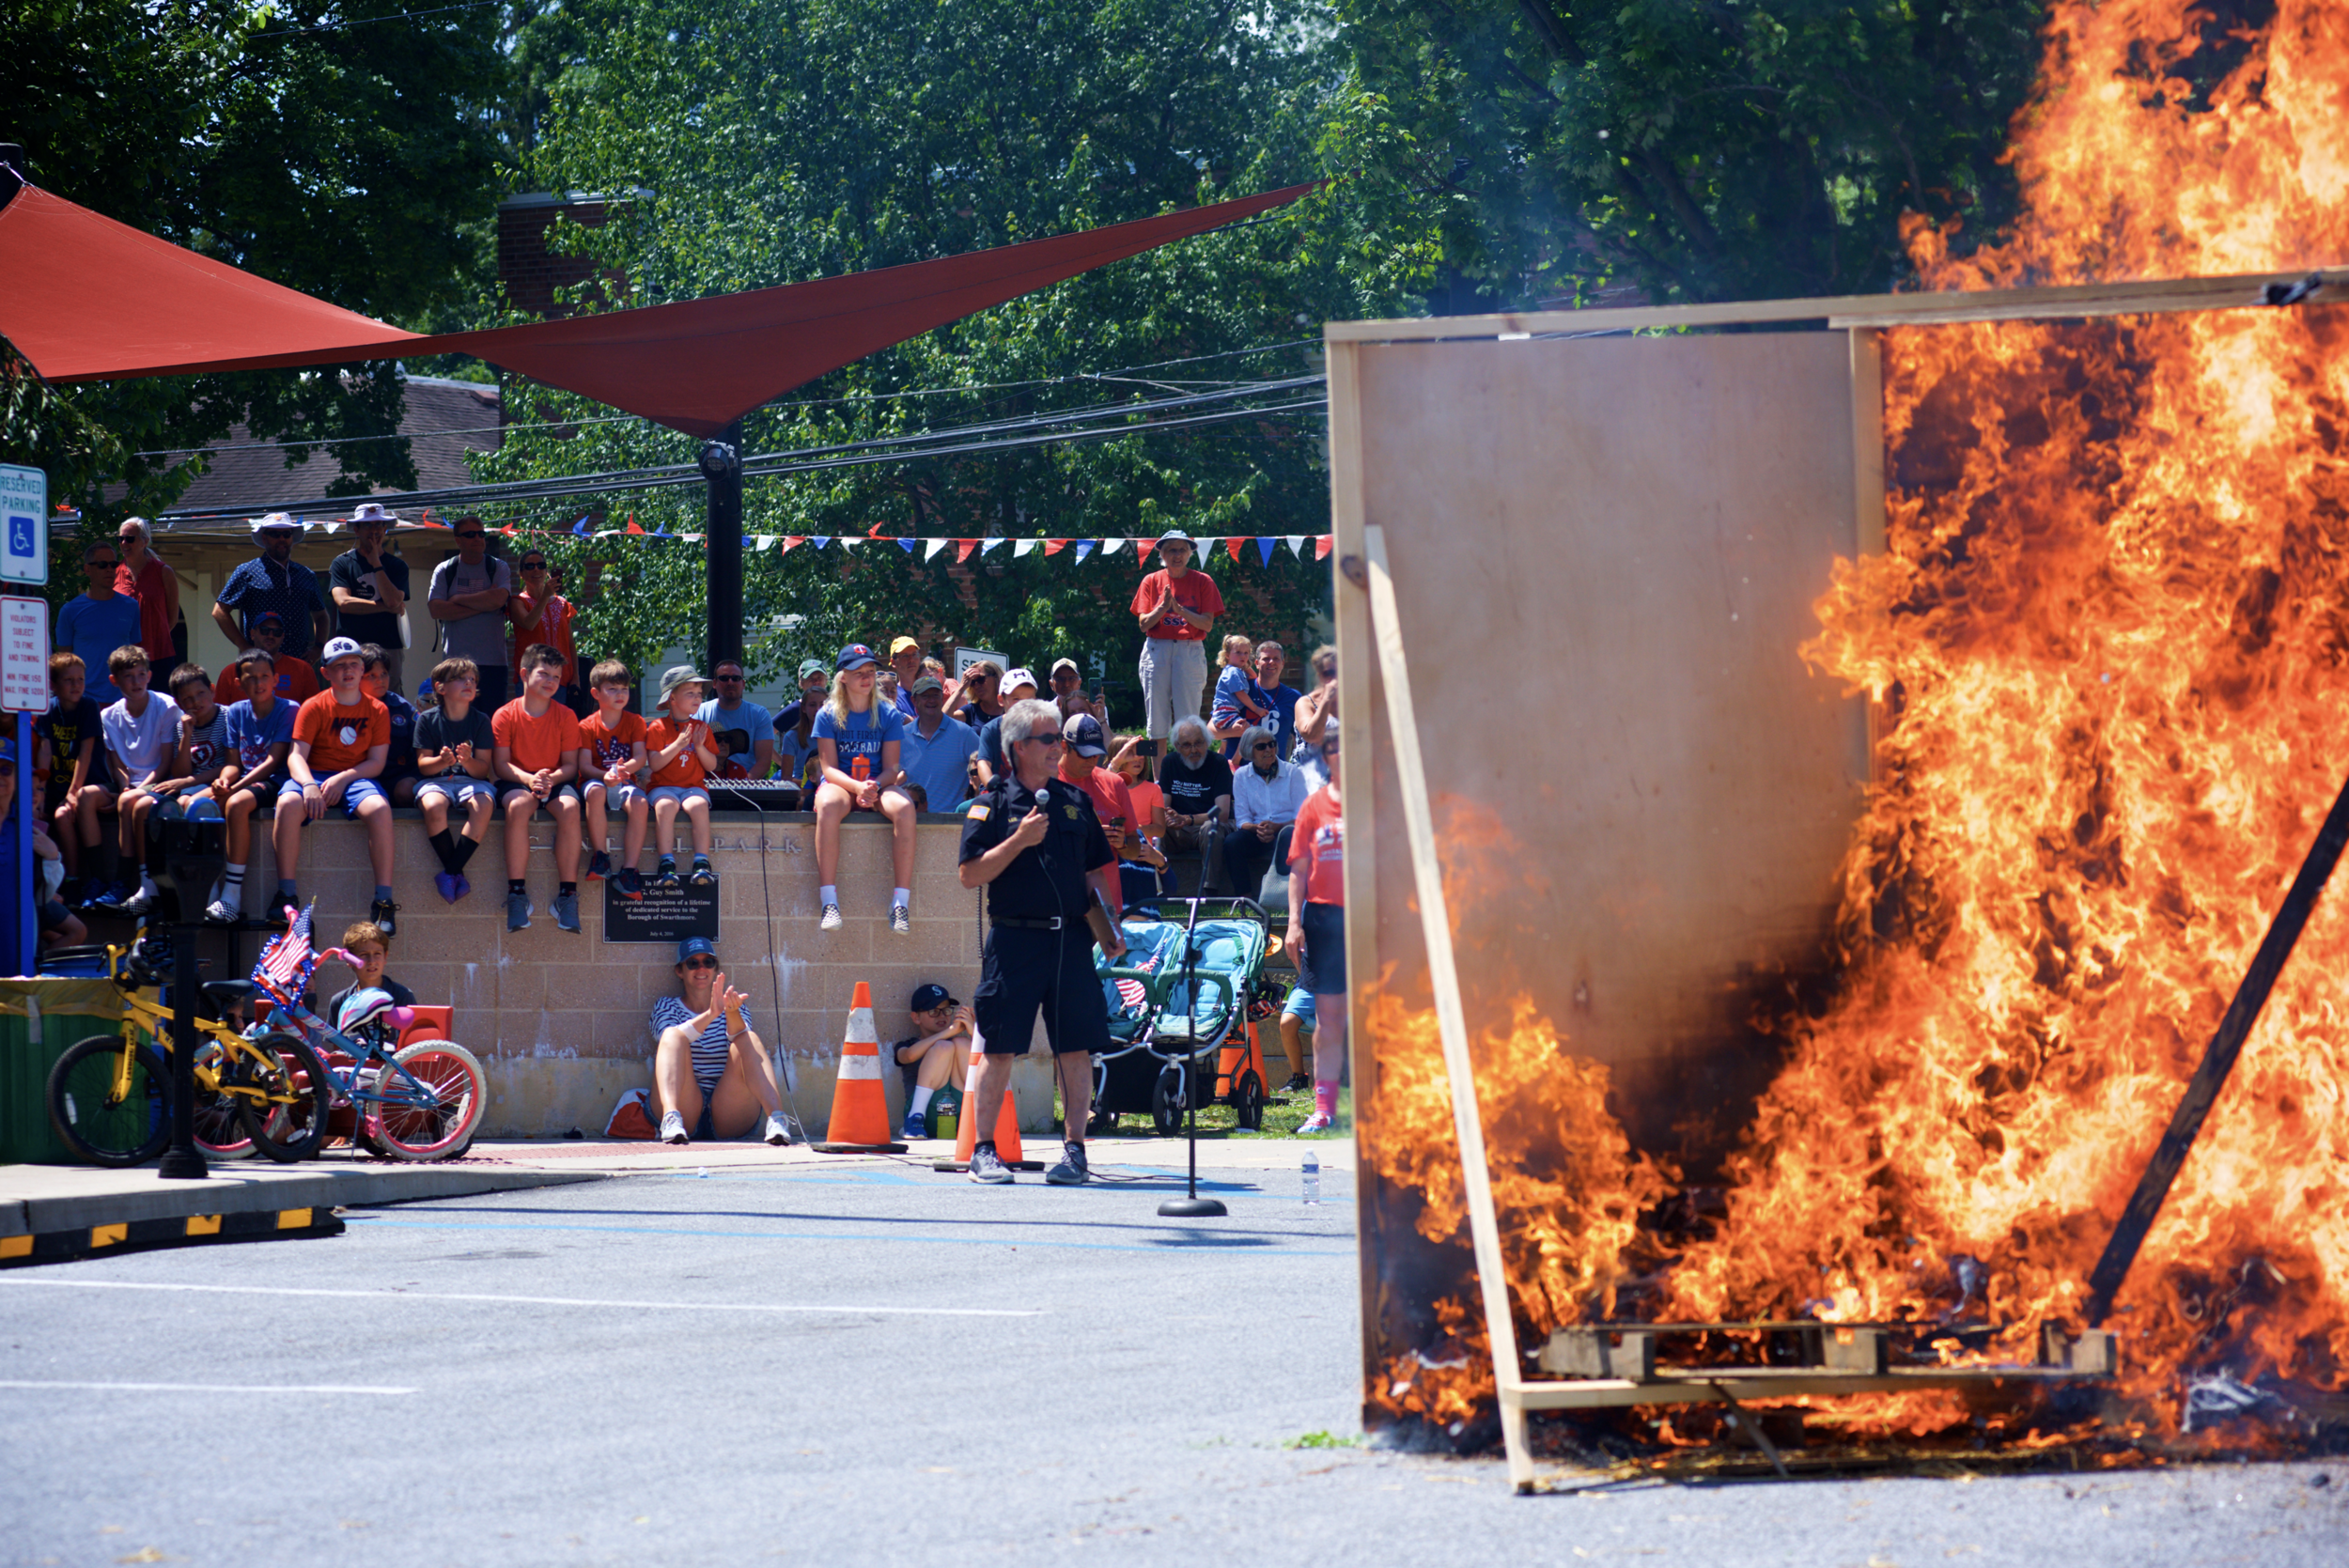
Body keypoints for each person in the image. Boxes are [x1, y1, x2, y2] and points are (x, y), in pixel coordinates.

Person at [957, 696, 1128, 1186]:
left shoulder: (1075, 803)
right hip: (1015, 941)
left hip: (1071, 941)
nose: (1059, 748)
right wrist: (1018, 840)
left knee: (1075, 1048)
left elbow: (1094, 870)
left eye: (1060, 739)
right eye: (1050, 739)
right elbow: (970, 875)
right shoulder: (989, 805)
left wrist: (1108, 926)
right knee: (1000, 1048)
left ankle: (1075, 1151)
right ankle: (984, 1151)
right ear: (1017, 748)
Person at [274, 636, 394, 933]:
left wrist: (343, 778)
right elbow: (296, 757)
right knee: (288, 803)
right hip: (313, 774)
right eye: (339, 666)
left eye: (354, 664)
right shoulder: (314, 706)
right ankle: (285, 895)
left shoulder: (378, 709)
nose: (348, 671)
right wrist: (308, 785)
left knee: (379, 808)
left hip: (355, 776)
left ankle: (383, 903)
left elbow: (376, 762)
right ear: (325, 672)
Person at [812, 642, 915, 934]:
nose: (866, 677)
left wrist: (873, 787)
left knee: (906, 808)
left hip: (877, 784)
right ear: (843, 676)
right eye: (858, 672)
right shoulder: (827, 713)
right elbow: (828, 768)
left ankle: (900, 903)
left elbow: (893, 768)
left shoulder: (888, 713)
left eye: (870, 670)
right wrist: (858, 787)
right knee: (829, 805)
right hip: (842, 784)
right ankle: (829, 901)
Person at [649, 936, 789, 1146]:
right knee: (673, 1034)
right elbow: (666, 1042)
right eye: (692, 963)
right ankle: (671, 1119)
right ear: (680, 971)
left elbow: (742, 1044)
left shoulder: (734, 1003)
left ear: (716, 969)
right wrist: (712, 1014)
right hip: (685, 1105)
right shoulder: (666, 1005)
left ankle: (777, 1119)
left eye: (708, 962)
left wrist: (729, 1012)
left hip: (728, 1109)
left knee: (747, 1037)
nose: (701, 969)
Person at [493, 644, 585, 933]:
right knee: (519, 806)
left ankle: (568, 895)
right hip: (518, 779)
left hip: (555, 779)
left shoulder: (566, 715)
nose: (551, 682)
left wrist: (550, 779)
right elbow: (501, 765)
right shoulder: (505, 715)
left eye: (557, 677)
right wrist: (529, 780)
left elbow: (571, 765)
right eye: (544, 674)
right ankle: (517, 893)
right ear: (524, 674)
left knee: (571, 808)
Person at [203, 648, 296, 924]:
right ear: (238, 682)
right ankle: (208, 887)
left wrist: (235, 788)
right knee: (194, 804)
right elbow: (233, 762)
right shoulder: (234, 712)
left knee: (236, 803)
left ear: (276, 679)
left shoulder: (289, 709)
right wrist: (223, 781)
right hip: (243, 780)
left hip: (275, 781)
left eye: (265, 676)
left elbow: (273, 760)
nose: (259, 683)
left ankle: (232, 895)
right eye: (251, 677)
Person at [1287, 729, 1346, 1133]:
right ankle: (1324, 1109)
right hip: (1324, 920)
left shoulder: (1380, 801)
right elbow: (1299, 869)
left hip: (1370, 920)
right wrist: (1294, 922)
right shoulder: (1313, 806)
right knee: (1326, 1018)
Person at [90, 646, 178, 912]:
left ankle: (127, 882)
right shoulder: (108, 716)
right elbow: (116, 765)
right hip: (129, 787)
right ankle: (93, 880)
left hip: (159, 782)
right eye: (129, 676)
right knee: (84, 799)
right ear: (114, 680)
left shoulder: (165, 707)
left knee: (129, 802)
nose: (137, 682)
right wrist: (123, 787)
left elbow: (165, 764)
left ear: (150, 676)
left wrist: (135, 790)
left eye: (141, 674)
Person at [412, 655, 497, 906]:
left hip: (472, 782)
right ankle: (455, 871)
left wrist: (468, 761)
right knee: (434, 805)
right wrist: (441, 761)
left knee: (484, 805)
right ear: (440, 688)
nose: (469, 682)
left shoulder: (481, 720)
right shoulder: (427, 720)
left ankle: (451, 872)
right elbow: (424, 767)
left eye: (472, 679)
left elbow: (482, 771)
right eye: (460, 679)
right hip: (436, 782)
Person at [1058, 712, 1165, 908]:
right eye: (1084, 754)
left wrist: (1122, 843)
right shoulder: (1044, 783)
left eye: (1096, 753)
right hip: (1060, 906)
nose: (1092, 760)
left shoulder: (1114, 783)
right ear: (1064, 746)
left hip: (1106, 906)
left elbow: (1134, 846)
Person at [1131, 530, 1221, 740]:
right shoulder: (1150, 580)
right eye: (1171, 550)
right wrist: (1163, 607)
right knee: (1156, 722)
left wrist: (1180, 610)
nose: (1177, 555)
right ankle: (1158, 775)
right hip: (1157, 649)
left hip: (1189, 649)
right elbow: (1143, 625)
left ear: (1190, 553)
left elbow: (1207, 624)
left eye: (1182, 549)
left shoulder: (1203, 581)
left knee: (1188, 721)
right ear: (1162, 554)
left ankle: (1187, 773)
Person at [212, 513, 330, 665]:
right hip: (261, 663)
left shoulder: (306, 574)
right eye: (275, 534)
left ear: (292, 538)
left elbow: (321, 616)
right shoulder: (247, 571)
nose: (282, 539)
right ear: (264, 538)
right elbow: (219, 611)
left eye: (286, 534)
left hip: (299, 663)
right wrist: (244, 647)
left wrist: (319, 648)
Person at [579, 658, 651, 896]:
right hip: (597, 780)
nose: (620, 694)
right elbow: (585, 766)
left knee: (641, 803)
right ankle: (601, 857)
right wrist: (606, 775)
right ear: (596, 693)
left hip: (624, 780)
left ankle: (629, 870)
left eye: (624, 689)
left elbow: (640, 757)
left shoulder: (636, 721)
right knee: (597, 791)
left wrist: (623, 772)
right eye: (612, 689)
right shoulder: (586, 726)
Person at [39, 652, 109, 896]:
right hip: (58, 786)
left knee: (64, 812)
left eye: (80, 679)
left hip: (93, 783)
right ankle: (59, 880)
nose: (76, 685)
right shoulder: (47, 711)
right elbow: (45, 752)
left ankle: (85, 878)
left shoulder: (88, 707)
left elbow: (86, 753)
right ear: (53, 685)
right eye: (69, 680)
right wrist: (41, 792)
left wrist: (72, 793)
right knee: (47, 816)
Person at [644, 665, 720, 891]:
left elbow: (712, 765)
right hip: (663, 787)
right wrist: (678, 744)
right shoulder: (658, 727)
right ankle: (666, 863)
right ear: (672, 699)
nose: (697, 698)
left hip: (692, 787)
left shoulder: (702, 727)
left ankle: (701, 863)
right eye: (690, 694)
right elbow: (655, 764)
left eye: (699, 694)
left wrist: (698, 745)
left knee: (698, 806)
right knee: (665, 807)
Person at [426, 516, 515, 706]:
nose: (477, 538)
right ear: (458, 540)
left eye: (481, 534)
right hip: (455, 665)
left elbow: (499, 599)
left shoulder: (498, 567)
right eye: (470, 534)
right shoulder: (445, 570)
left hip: (494, 664)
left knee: (490, 727)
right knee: (457, 725)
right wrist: (485, 604)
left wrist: (457, 600)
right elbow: (436, 609)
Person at [328, 504, 411, 696]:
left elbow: (393, 601)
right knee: (351, 698)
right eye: (367, 525)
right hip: (352, 648)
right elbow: (344, 604)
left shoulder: (398, 566)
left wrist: (376, 564)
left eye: (379, 525)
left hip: (389, 647)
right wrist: (384, 607)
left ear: (385, 529)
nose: (374, 531)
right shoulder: (342, 563)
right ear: (356, 529)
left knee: (390, 701)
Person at [1224, 723, 1308, 901]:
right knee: (1232, 842)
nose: (1269, 749)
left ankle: (1288, 896)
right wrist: (1257, 829)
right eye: (1261, 747)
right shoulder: (1241, 776)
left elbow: (1303, 816)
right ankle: (1244, 899)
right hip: (1258, 833)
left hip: (1286, 831)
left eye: (1272, 744)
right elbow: (1242, 819)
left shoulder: (1293, 773)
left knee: (1289, 836)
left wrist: (1277, 827)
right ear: (1249, 751)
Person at [56, 541, 144, 705]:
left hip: (123, 700)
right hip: (83, 700)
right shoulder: (70, 611)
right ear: (87, 569)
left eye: (113, 564)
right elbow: (64, 663)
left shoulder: (131, 607)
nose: (110, 569)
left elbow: (135, 655)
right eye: (103, 565)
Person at [1159, 716, 1234, 894]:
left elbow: (1222, 813)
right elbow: (1163, 806)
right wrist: (1169, 818)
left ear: (1207, 743)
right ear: (1177, 747)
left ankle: (1210, 890)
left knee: (1211, 828)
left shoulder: (1219, 763)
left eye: (1198, 743)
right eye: (1186, 745)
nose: (1194, 750)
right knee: (1155, 828)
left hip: (1206, 826)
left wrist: (1188, 819)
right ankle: (1158, 887)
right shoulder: (1170, 762)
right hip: (1178, 829)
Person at [892, 982, 974, 1140]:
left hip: (962, 1114)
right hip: (927, 1115)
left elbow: (990, 1066)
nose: (942, 1016)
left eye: (946, 1011)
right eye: (934, 1011)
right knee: (944, 1047)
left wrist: (974, 1033)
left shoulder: (960, 1043)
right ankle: (914, 1117)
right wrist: (949, 1033)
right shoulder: (907, 1045)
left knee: (961, 1043)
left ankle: (981, 1120)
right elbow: (907, 1056)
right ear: (916, 1017)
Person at [897, 674, 980, 814]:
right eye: (925, 696)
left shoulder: (964, 733)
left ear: (942, 698)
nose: (931, 700)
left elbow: (985, 764)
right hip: (912, 821)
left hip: (953, 823)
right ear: (914, 700)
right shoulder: (900, 737)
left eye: (935, 695)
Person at [112, 518, 182, 682]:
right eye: (120, 539)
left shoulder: (164, 572)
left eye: (129, 538)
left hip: (159, 656)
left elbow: (171, 620)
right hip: (125, 658)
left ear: (145, 541)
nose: (123, 543)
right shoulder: (114, 572)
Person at [506, 548, 575, 707]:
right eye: (530, 566)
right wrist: (545, 596)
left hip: (562, 679)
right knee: (533, 727)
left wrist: (576, 677)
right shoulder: (517, 602)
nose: (536, 569)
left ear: (546, 571)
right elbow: (529, 624)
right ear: (521, 573)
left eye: (541, 565)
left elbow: (570, 643)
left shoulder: (562, 603)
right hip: (531, 679)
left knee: (558, 728)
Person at [696, 659, 776, 778]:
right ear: (714, 683)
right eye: (724, 678)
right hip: (706, 783)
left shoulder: (759, 714)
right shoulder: (699, 712)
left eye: (736, 678)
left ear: (743, 684)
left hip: (745, 783)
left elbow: (763, 762)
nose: (730, 682)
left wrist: (741, 787)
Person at [361, 644, 419, 804]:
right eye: (371, 675)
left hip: (400, 773)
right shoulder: (348, 706)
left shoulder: (402, 707)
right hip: (362, 776)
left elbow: (422, 742)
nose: (380, 680)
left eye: (384, 674)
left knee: (405, 791)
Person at [321, 921, 416, 1017]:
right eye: (364, 954)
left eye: (377, 954)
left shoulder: (403, 996)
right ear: (349, 960)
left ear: (385, 956)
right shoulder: (339, 1002)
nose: (371, 961)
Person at [972, 666, 1038, 790]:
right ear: (1001, 700)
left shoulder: (1042, 729)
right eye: (1016, 699)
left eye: (1029, 699)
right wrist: (993, 786)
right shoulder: (991, 729)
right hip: (999, 795)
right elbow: (983, 763)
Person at [1208, 633, 1269, 757]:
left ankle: (1222, 756)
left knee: (1226, 742)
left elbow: (1253, 677)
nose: (1243, 656)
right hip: (1226, 712)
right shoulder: (1232, 672)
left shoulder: (1237, 670)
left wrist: (1245, 665)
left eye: (1246, 653)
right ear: (1227, 655)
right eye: (1238, 652)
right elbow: (1240, 694)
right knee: (1250, 733)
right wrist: (1256, 709)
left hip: (1226, 713)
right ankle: (1235, 760)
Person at [776, 658, 829, 792]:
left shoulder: (838, 729)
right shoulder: (793, 712)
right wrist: (779, 761)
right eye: (811, 679)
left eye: (819, 678)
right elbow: (766, 735)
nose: (818, 709)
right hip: (802, 792)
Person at [246, 613, 321, 704]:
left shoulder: (302, 669)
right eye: (264, 630)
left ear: (282, 637)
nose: (270, 636)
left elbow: (316, 710)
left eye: (277, 632)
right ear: (252, 634)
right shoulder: (232, 673)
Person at [1253, 641, 1303, 760]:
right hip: (1241, 771)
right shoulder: (1242, 692)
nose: (1271, 662)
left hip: (1277, 773)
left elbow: (1301, 738)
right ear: (1257, 663)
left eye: (1276, 658)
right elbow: (1213, 730)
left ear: (1282, 664)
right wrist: (1234, 730)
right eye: (1266, 659)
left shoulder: (1294, 697)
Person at [1293, 644, 1338, 770]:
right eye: (1329, 673)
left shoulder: (1354, 701)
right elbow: (1311, 736)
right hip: (1311, 775)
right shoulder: (1306, 702)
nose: (1336, 677)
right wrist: (1327, 700)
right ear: (1319, 675)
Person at [1276, 986, 1315, 1093]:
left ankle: (1331, 1080)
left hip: (1341, 987)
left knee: (1326, 1025)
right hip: (1308, 986)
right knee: (1287, 1023)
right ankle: (1299, 1078)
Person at [952, 660, 1004, 731]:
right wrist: (962, 687)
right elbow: (941, 721)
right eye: (972, 682)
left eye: (981, 679)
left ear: (996, 678)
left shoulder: (1010, 709)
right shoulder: (971, 711)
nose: (976, 686)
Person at [887, 636, 925, 717]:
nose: (911, 659)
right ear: (893, 662)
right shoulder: (891, 696)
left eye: (914, 654)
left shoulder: (930, 691)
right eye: (905, 656)